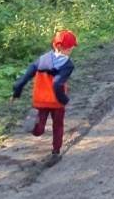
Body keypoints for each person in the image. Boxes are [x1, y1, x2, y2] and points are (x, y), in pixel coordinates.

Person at [12, 30, 78, 166]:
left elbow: (25, 78)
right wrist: (64, 99)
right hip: (56, 102)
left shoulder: (42, 59)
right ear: (68, 48)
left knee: (39, 129)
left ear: (54, 45)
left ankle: (35, 126)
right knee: (58, 126)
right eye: (71, 47)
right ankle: (55, 152)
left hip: (40, 100)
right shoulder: (67, 65)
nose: (72, 49)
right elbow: (57, 84)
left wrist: (16, 92)